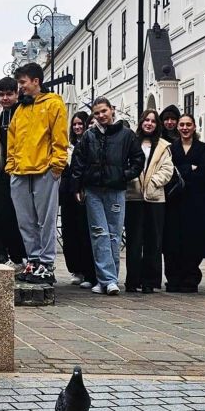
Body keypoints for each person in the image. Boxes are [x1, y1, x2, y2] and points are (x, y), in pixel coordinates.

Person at [70, 97, 145, 295]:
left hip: (116, 190)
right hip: (93, 189)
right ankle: (107, 279)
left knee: (113, 235)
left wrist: (123, 175)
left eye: (104, 111)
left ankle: (108, 279)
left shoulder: (126, 135)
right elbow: (78, 162)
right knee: (98, 233)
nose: (101, 116)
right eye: (97, 113)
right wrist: (77, 186)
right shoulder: (89, 136)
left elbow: (138, 160)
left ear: (112, 110)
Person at [6, 63, 68, 286]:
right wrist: (11, 165)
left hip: (44, 169)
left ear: (36, 81)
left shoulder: (53, 105)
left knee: (46, 220)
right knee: (25, 220)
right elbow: (12, 140)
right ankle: (33, 259)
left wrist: (57, 165)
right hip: (20, 171)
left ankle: (46, 264)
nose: (20, 87)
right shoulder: (21, 109)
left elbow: (60, 137)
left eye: (23, 82)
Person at [124, 110, 174, 294]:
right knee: (134, 241)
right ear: (141, 122)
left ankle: (150, 281)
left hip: (155, 198)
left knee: (154, 241)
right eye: (146, 120)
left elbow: (168, 170)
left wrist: (152, 182)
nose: (149, 124)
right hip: (134, 196)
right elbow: (126, 164)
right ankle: (132, 281)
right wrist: (134, 180)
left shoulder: (163, 146)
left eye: (153, 121)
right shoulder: (131, 142)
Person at [163, 114, 205, 293]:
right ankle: (173, 279)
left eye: (188, 125)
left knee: (193, 242)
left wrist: (184, 171)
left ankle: (190, 279)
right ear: (177, 127)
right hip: (174, 202)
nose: (185, 128)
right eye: (182, 125)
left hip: (196, 203)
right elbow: (169, 173)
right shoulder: (170, 149)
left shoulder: (203, 148)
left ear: (194, 127)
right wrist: (189, 168)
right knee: (172, 242)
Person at [0, 77, 26, 265]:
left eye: (9, 94)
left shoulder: (24, 110)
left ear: (17, 94)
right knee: (3, 214)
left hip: (22, 169)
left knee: (22, 215)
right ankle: (14, 256)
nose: (5, 98)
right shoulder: (0, 114)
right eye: (2, 94)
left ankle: (23, 257)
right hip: (4, 169)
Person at [60, 111, 96, 288]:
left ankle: (88, 270)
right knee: (70, 232)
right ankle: (75, 269)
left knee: (85, 233)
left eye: (80, 124)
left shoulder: (91, 144)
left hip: (85, 192)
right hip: (68, 194)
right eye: (74, 124)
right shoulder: (67, 146)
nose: (77, 127)